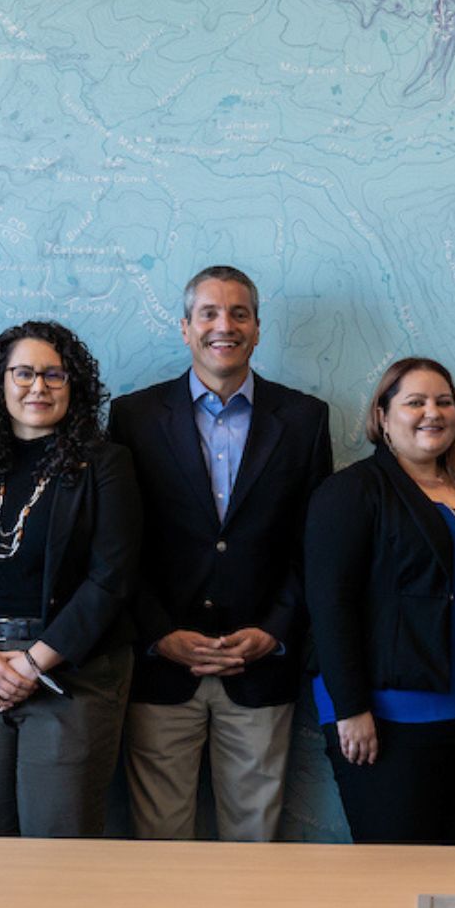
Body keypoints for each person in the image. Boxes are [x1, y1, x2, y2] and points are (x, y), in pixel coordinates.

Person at [111, 266, 333, 841]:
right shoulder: (133, 417)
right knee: (161, 847)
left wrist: (275, 630)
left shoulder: (305, 419)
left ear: (258, 329)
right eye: (208, 313)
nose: (223, 325)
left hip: (258, 666)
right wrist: (159, 634)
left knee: (252, 846)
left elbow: (314, 545)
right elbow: (119, 544)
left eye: (239, 314)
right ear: (185, 328)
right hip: (162, 667)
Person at [0, 320, 141, 838]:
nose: (37, 387)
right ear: (0, 382)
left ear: (75, 386)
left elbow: (111, 579)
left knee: (56, 848)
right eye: (23, 373)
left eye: (54, 375)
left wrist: (30, 665)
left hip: (71, 675)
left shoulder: (106, 465)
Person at [304, 358, 455, 843]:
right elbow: (329, 606)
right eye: (415, 402)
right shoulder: (351, 491)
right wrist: (350, 707)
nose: (432, 412)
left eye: (444, 401)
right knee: (395, 877)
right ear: (382, 416)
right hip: (389, 718)